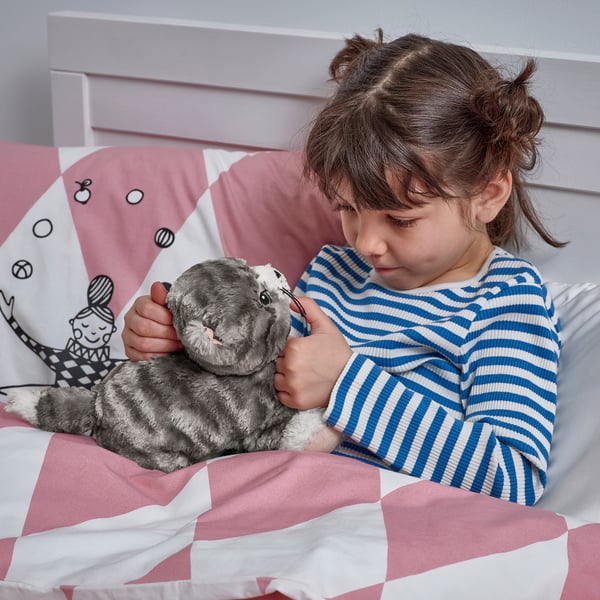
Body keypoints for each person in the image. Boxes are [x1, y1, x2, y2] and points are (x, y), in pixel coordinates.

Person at [122, 31, 564, 506]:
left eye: (400, 219)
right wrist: (183, 345)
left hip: (377, 528)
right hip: (260, 501)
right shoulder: (333, 273)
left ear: (488, 195)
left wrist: (346, 383)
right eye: (347, 209)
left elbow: (512, 480)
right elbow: (246, 387)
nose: (366, 243)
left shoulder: (505, 302)